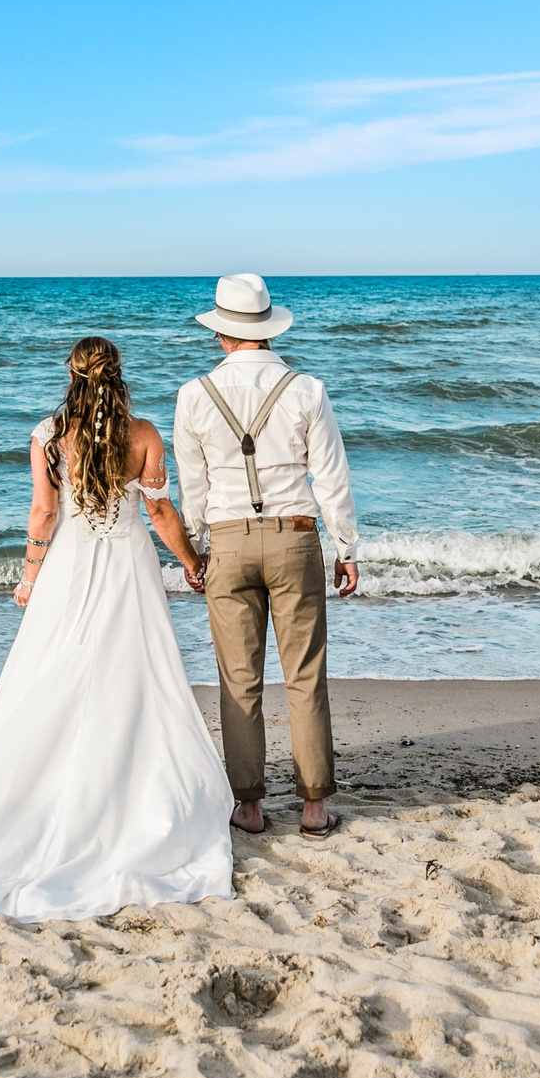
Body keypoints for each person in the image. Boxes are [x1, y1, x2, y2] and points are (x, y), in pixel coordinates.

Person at [0, 337, 233, 920]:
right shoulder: (144, 435)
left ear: (71, 376)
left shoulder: (50, 436)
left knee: (55, 670)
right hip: (128, 564)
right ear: (118, 376)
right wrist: (191, 562)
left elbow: (45, 512)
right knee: (134, 679)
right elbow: (158, 511)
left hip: (69, 567)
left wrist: (29, 577)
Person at [172, 274, 360, 840]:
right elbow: (331, 479)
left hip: (228, 542)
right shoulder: (308, 390)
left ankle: (249, 807)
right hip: (294, 538)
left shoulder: (194, 394)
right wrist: (346, 547)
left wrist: (194, 551)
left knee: (238, 680)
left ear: (220, 333)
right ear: (269, 328)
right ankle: (313, 808)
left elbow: (193, 489)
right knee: (305, 675)